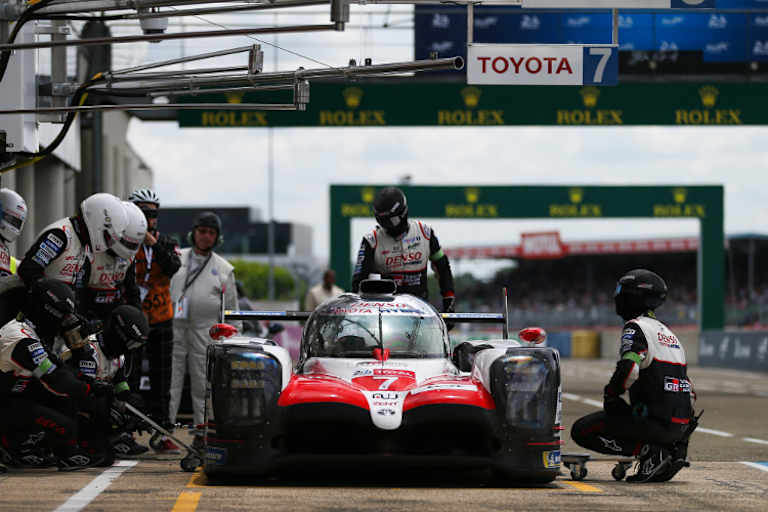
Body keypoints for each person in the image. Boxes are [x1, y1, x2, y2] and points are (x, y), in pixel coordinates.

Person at [570, 269, 697, 483]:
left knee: (581, 430)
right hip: (681, 427)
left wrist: (611, 395)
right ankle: (669, 450)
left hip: (656, 424)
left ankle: (650, 452)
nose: (617, 297)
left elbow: (629, 369)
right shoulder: (669, 333)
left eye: (621, 292)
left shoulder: (635, 327)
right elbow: (690, 391)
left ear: (632, 296)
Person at [0, 279, 109, 469]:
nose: (66, 322)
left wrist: (87, 381)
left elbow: (58, 367)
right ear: (48, 312)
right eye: (63, 316)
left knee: (64, 400)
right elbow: (56, 380)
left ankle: (23, 446)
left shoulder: (33, 333)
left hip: (12, 396)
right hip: (5, 402)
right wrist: (88, 389)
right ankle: (19, 447)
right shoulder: (21, 339)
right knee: (65, 424)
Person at [169, 211, 240, 449]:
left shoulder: (223, 269)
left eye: (211, 233)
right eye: (202, 232)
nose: (206, 237)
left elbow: (231, 308)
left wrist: (234, 335)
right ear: (193, 233)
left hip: (205, 331)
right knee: (172, 380)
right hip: (175, 327)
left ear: (217, 238)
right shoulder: (176, 258)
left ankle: (202, 432)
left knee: (202, 383)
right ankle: (166, 429)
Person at [128, 188, 182, 454]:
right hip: (134, 319)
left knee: (162, 379)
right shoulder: (124, 242)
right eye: (144, 213)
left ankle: (162, 433)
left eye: (153, 214)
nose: (150, 218)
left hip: (162, 318)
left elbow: (172, 266)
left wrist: (153, 243)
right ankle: (126, 431)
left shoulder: (166, 241)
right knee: (130, 375)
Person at [64, 305, 149, 459]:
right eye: (131, 343)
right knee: (101, 401)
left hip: (94, 407)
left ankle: (117, 436)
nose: (132, 349)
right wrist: (114, 412)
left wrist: (136, 415)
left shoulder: (120, 358)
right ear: (119, 334)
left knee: (134, 402)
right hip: (70, 406)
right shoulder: (88, 349)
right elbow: (82, 390)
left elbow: (121, 387)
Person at [351, 187, 455, 313]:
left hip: (420, 311)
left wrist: (448, 300)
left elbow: (442, 267)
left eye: (391, 221)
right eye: (382, 222)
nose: (388, 226)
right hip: (386, 314)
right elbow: (357, 284)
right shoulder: (371, 241)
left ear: (403, 213)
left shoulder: (425, 233)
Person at [17, 192, 128, 288]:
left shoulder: (84, 243)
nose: (108, 244)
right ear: (97, 223)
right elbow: (27, 269)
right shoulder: (60, 235)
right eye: (107, 237)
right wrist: (50, 292)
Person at [0, 188, 27, 277]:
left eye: (17, 223)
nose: (14, 226)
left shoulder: (3, 248)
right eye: (11, 220)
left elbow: (8, 263)